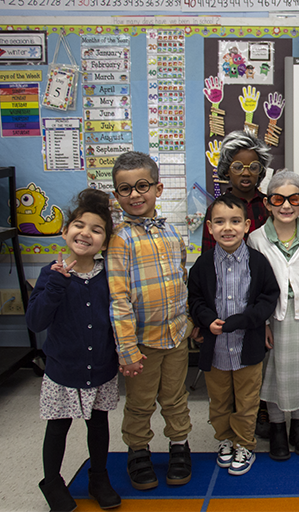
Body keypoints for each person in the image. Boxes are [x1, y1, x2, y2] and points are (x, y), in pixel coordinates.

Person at [27, 189, 121, 512]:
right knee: (58, 426)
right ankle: (51, 481)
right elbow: (36, 320)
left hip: (101, 368)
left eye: (97, 230)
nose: (86, 233)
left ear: (105, 242)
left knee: (98, 425)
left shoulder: (109, 276)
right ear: (65, 231)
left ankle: (98, 477)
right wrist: (56, 284)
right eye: (79, 225)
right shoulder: (51, 275)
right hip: (63, 370)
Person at [108, 151, 193, 490]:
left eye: (142, 186)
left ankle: (178, 445)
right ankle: (138, 450)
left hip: (176, 335)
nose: (135, 194)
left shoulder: (172, 234)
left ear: (159, 189)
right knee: (141, 402)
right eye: (125, 189)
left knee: (175, 397)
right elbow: (118, 299)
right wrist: (126, 348)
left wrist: (188, 320)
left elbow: (181, 278)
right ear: (116, 196)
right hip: (141, 343)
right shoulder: (119, 240)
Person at [188, 193, 280, 476]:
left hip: (247, 348)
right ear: (209, 227)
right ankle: (225, 439)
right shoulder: (202, 265)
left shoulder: (258, 262)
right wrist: (206, 320)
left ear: (247, 225)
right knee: (219, 400)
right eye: (219, 222)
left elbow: (268, 297)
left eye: (235, 221)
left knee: (247, 401)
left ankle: (244, 443)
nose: (227, 228)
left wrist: (247, 319)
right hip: (214, 350)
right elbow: (195, 300)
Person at [247, 170, 299, 461]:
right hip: (274, 320)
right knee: (276, 377)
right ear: (268, 203)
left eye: (293, 199)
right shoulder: (256, 239)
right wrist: (263, 323)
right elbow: (254, 286)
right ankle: (278, 430)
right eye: (278, 199)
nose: (286, 206)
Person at [201, 131, 272, 253]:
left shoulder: (270, 206)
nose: (246, 173)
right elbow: (208, 255)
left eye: (253, 167)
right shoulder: (215, 209)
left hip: (265, 270)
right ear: (226, 170)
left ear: (260, 171)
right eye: (238, 167)